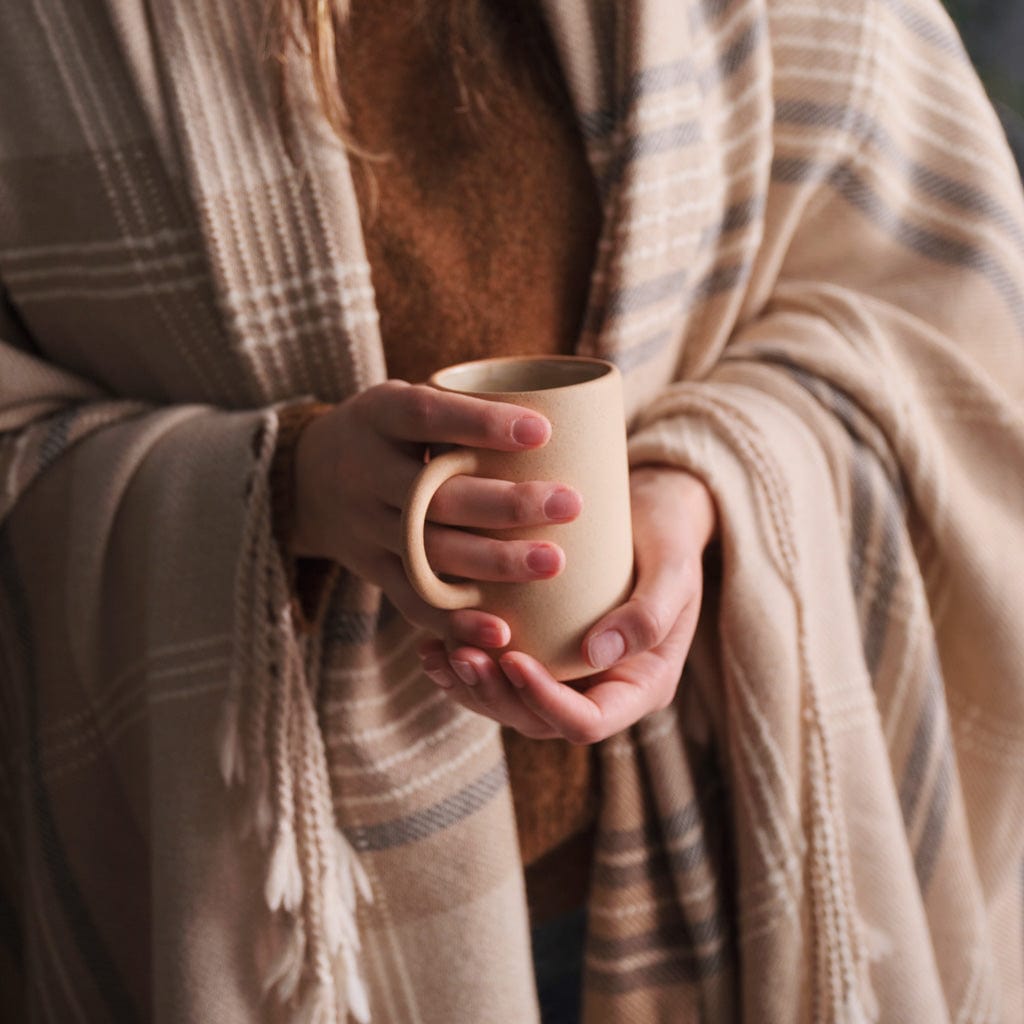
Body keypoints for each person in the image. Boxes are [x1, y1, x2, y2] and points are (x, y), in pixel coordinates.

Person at [1, 0, 1022, 1022]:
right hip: (277, 918)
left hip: (716, 865)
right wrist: (290, 484)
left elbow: (942, 318)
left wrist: (700, 483)